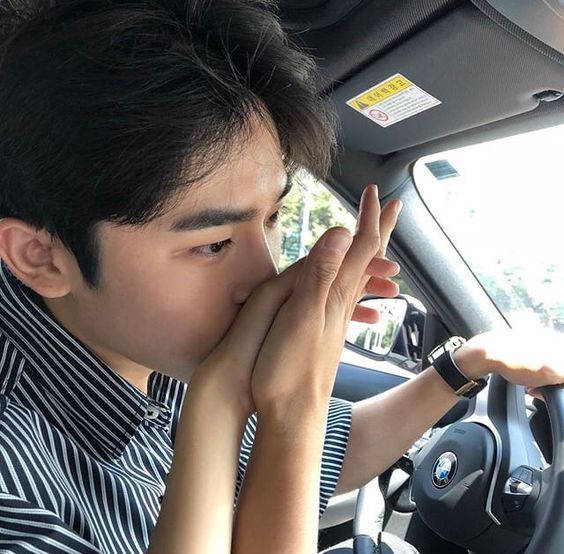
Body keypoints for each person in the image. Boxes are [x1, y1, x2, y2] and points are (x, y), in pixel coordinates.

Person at [0, 1, 561, 553]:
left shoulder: (154, 346)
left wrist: (466, 363)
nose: (266, 277)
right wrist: (261, 409)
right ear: (40, 257)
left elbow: (319, 460)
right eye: (212, 243)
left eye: (271, 218)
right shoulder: (15, 478)